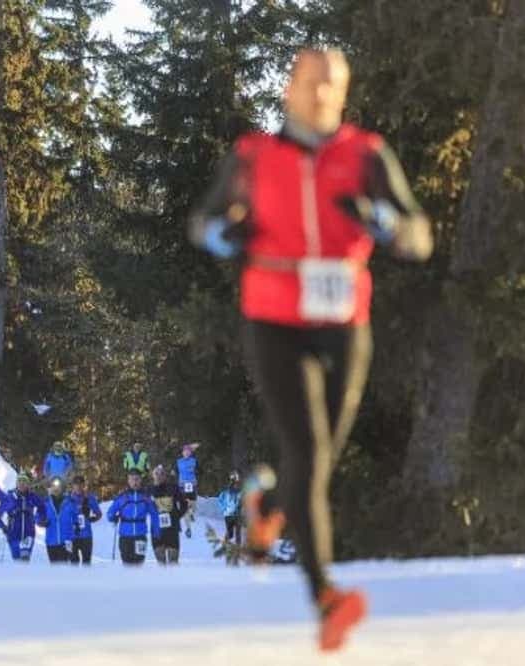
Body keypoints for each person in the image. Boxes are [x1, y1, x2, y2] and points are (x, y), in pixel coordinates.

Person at [188, 48, 432, 651]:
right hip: (274, 317)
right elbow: (203, 223)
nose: (322, 95)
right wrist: (227, 234)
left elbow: (419, 234)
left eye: (333, 85)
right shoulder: (254, 156)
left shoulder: (366, 154)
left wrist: (384, 222)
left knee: (321, 457)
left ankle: (267, 503)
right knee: (308, 447)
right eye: (311, 83)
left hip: (343, 317)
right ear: (289, 89)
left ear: (343, 92)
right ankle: (327, 597)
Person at [106, 469, 161, 565]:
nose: (135, 482)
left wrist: (156, 532)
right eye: (132, 479)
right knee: (127, 565)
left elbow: (154, 515)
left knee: (139, 564)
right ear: (128, 481)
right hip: (125, 537)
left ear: (140, 480)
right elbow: (110, 513)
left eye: (137, 479)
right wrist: (113, 517)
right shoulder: (122, 497)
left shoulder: (146, 497)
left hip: (140, 536)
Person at [149, 465, 188, 565]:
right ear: (152, 475)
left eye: (162, 474)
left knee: (173, 564)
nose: (159, 476)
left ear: (165, 476)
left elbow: (184, 504)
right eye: (156, 473)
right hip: (157, 531)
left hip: (172, 530)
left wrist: (177, 516)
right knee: (161, 564)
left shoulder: (173, 488)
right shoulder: (148, 490)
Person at [4, 472, 45, 561]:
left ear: (28, 484)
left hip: (28, 532)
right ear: (16, 483)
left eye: (24, 481)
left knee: (24, 558)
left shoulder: (32, 496)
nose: (22, 484)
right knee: (17, 558)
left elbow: (42, 506)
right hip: (13, 532)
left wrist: (38, 517)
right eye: (20, 481)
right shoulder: (11, 495)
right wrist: (13, 511)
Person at [64, 475, 102, 565]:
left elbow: (99, 514)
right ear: (72, 486)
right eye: (76, 484)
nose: (78, 487)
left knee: (86, 563)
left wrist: (91, 519)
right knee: (73, 563)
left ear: (84, 485)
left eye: (80, 484)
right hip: (71, 536)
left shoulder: (90, 498)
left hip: (86, 535)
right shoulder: (67, 499)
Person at [40, 477, 74, 563]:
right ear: (51, 488)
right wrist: (42, 522)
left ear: (62, 488)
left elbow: (77, 515)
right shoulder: (46, 503)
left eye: (58, 486)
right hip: (51, 541)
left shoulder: (69, 502)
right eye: (53, 486)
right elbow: (38, 517)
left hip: (66, 541)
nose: (56, 489)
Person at [176, 443, 200, 538]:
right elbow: (175, 472)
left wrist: (196, 472)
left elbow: (200, 471)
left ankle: (191, 513)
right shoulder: (178, 462)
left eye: (188, 451)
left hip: (192, 484)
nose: (186, 453)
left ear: (190, 453)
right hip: (182, 485)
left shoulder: (194, 461)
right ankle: (188, 529)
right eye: (184, 451)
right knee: (185, 506)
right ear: (182, 453)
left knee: (193, 506)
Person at [217, 471, 243, 544]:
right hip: (228, 514)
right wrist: (224, 509)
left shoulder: (240, 489)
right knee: (230, 534)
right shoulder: (227, 490)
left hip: (237, 514)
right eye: (235, 477)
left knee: (238, 533)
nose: (237, 479)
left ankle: (238, 551)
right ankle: (225, 545)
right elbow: (220, 500)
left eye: (237, 477)